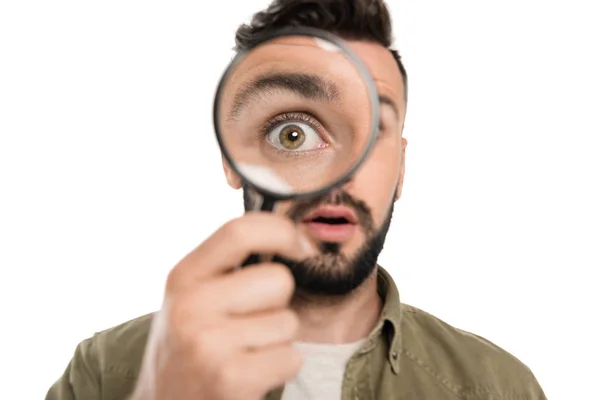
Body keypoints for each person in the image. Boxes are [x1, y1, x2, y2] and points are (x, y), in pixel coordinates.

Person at [46, 1, 547, 399]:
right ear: (231, 158)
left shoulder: (499, 390)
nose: (338, 179)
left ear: (400, 170)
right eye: (292, 134)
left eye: (372, 133)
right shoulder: (105, 373)